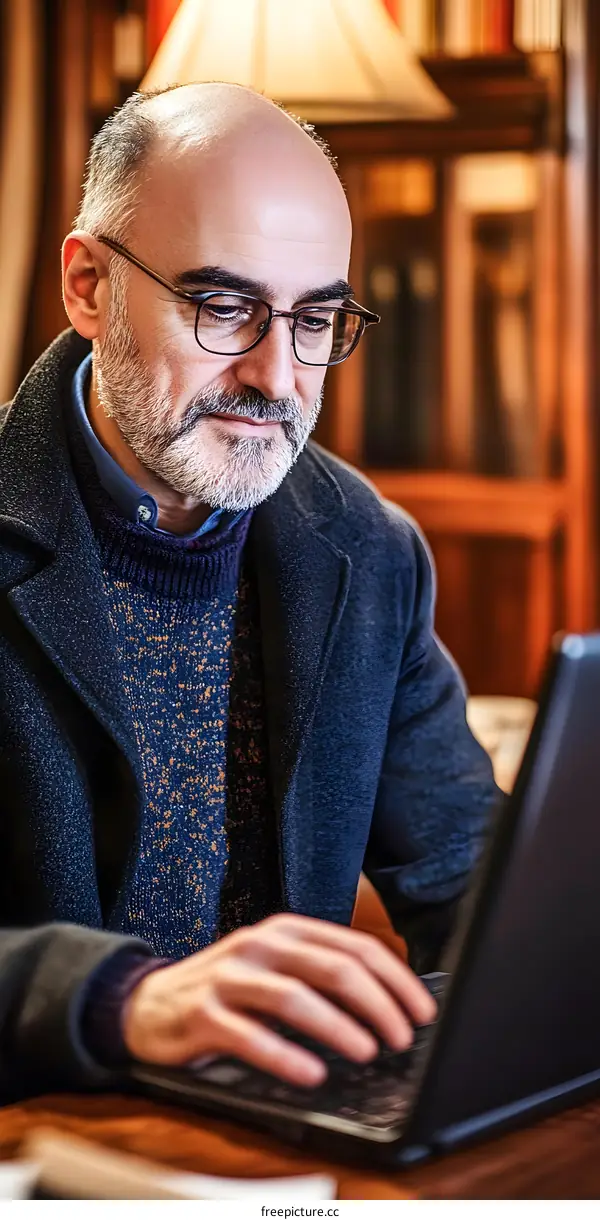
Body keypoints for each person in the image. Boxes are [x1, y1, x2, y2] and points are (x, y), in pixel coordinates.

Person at [0, 82, 498, 1103]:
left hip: (276, 1155)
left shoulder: (369, 551)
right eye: (224, 306)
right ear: (89, 285)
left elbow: (474, 882)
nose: (279, 375)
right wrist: (119, 1002)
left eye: (316, 318)